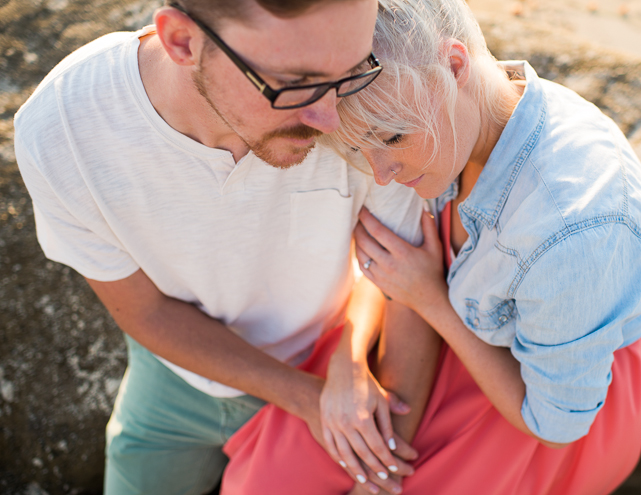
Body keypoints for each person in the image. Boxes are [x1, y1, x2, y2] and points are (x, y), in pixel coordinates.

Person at [219, 0, 641, 493]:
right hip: (431, 320)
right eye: (357, 148)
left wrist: (430, 298)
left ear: (455, 65)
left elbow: (555, 424)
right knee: (269, 480)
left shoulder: (571, 231)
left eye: (391, 137)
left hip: (527, 392)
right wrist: (356, 351)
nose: (380, 173)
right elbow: (392, 262)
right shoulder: (455, 120)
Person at [12, 0, 430, 493]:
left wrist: (352, 359)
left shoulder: (373, 110)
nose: (329, 119)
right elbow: (145, 312)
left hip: (330, 359)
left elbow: (402, 279)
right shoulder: (64, 128)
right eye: (296, 83)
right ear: (182, 41)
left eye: (352, 71)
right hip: (176, 376)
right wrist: (304, 397)